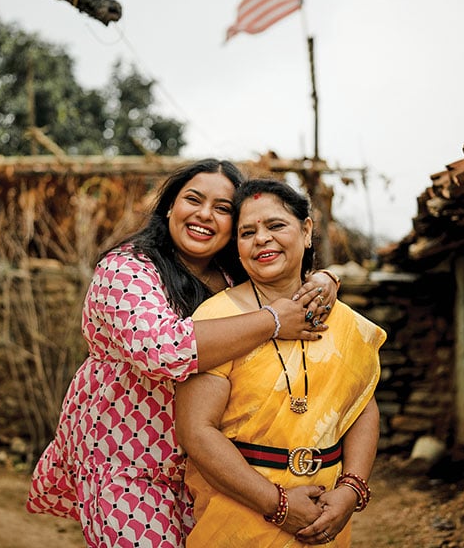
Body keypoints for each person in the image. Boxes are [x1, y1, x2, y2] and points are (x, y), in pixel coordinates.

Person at [27, 159, 341, 547]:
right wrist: (271, 321)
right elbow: (162, 350)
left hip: (210, 470)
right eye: (193, 199)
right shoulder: (126, 269)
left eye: (223, 208)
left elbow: (290, 287)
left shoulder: (232, 278)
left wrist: (326, 278)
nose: (205, 214)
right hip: (125, 460)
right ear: (169, 207)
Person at [175, 178, 385, 547]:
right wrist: (279, 504)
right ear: (236, 248)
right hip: (239, 512)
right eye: (247, 232)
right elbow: (197, 431)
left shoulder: (347, 322)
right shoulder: (217, 320)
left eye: (275, 225)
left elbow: (361, 408)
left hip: (326, 513)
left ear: (306, 231)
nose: (261, 239)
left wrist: (351, 489)